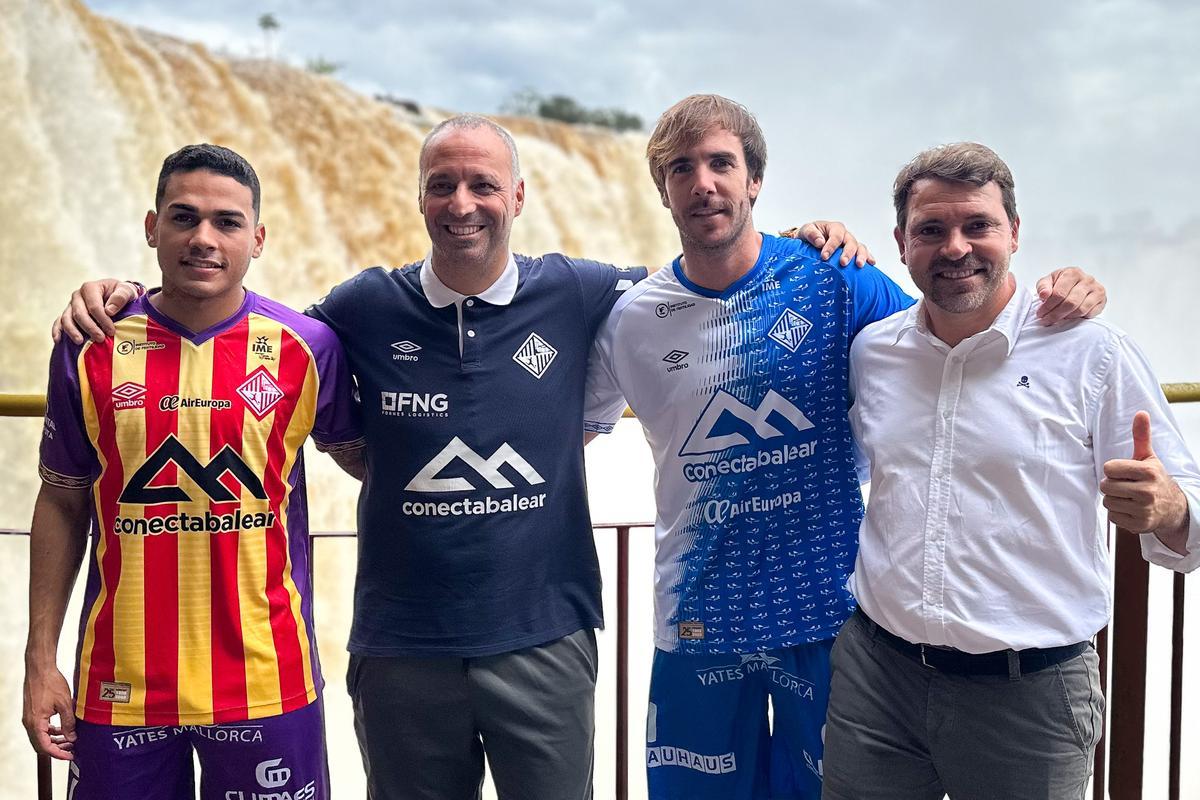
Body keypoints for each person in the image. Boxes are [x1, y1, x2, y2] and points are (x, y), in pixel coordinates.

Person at [51, 115, 870, 800]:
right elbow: (231, 327)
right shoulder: (360, 308)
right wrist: (126, 295)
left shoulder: (584, 291)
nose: (463, 203)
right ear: (420, 199)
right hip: (402, 646)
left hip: (544, 639)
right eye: (443, 185)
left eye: (483, 186)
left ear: (518, 197)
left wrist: (802, 240)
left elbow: (703, 275)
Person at [582, 96, 1108, 800]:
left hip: (832, 614)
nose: (703, 182)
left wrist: (1060, 296)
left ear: (754, 180)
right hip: (698, 614)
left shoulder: (835, 274)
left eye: (721, 163)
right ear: (664, 189)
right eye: (683, 168)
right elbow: (572, 428)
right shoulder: (632, 318)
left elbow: (954, 332)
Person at [818, 141, 1200, 799]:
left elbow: (1187, 497)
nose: (956, 247)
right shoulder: (875, 352)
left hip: (1029, 697)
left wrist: (1168, 508)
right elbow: (847, 468)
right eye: (931, 230)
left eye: (978, 226)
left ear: (1015, 234)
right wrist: (806, 241)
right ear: (901, 244)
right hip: (876, 679)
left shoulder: (1091, 353)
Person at [24, 144, 364, 800]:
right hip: (119, 685)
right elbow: (61, 502)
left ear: (257, 239)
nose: (203, 238)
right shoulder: (90, 343)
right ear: (151, 228)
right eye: (184, 218)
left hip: (268, 681)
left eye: (227, 223)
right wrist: (41, 661)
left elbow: (372, 462)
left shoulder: (307, 347)